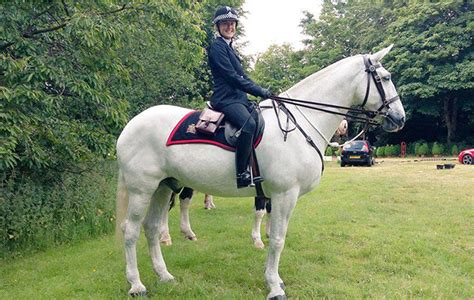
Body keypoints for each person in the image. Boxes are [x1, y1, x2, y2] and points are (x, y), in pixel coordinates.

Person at [207, 6, 272, 188]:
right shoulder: (217, 48)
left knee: (258, 120)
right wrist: (259, 91)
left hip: (238, 99)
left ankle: (257, 167)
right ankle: (242, 173)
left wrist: (263, 90)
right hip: (225, 99)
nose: (230, 27)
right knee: (248, 125)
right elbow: (233, 78)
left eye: (232, 23)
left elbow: (243, 77)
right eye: (225, 23)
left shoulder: (230, 49)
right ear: (218, 27)